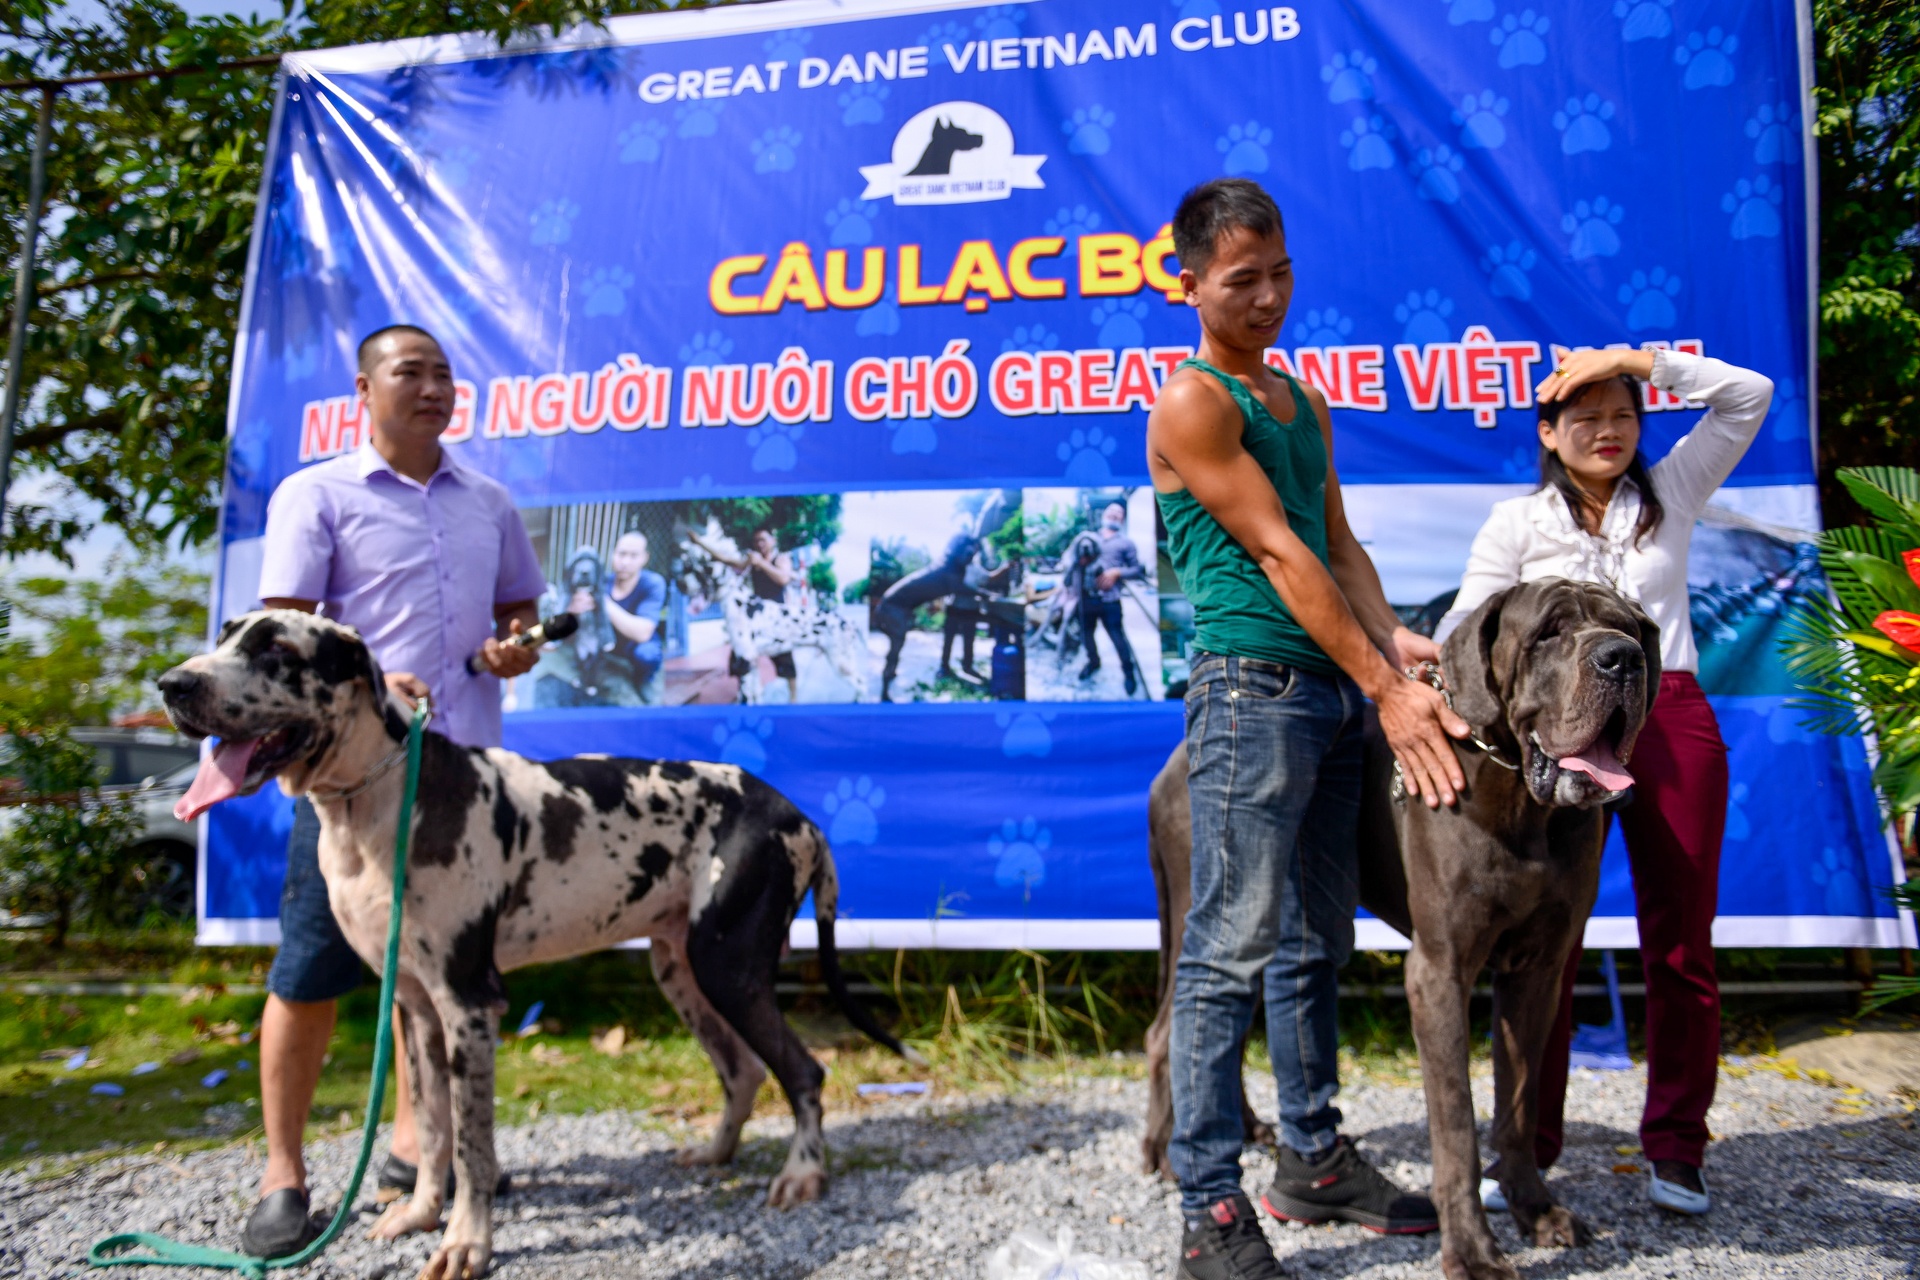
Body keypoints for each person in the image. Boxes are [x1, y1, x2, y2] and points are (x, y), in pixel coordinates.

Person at [1147, 178, 1468, 1280]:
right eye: (1244, 281)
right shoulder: (1194, 404)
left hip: (1328, 693)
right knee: (1227, 945)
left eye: (1282, 272)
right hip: (1251, 694)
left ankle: (1317, 1157)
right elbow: (1281, 558)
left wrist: (1394, 640)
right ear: (1186, 281)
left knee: (1314, 940)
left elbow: (1337, 540)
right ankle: (1207, 1203)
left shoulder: (1298, 398)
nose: (1271, 297)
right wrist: (1386, 687)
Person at [1437, 345, 1772, 1218]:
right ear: (1549, 433)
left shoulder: (1674, 495)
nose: (1607, 431)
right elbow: (1466, 622)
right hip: (1553, 733)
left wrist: (1637, 360)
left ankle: (1676, 1147)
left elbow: (1749, 397)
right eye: (1585, 417)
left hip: (1664, 720)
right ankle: (1529, 1152)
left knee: (1681, 942)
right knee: (1547, 949)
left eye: (1623, 415)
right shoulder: (1517, 522)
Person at [244, 324, 545, 1258]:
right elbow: (276, 637)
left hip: (462, 785)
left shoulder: (487, 501)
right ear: (363, 391)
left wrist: (516, 646)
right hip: (348, 781)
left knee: (438, 978)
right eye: (409, 372)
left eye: (445, 375)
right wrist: (377, 684)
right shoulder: (316, 493)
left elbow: (518, 610)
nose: (431, 389)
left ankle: (425, 1157)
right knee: (310, 970)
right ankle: (284, 1177)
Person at [692, 526, 800, 703]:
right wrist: (700, 543)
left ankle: (793, 699)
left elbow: (783, 579)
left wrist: (762, 564)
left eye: (763, 540)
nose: (760, 544)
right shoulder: (752, 559)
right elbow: (725, 559)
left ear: (773, 541)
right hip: (754, 617)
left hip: (776, 617)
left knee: (785, 660)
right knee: (742, 658)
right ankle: (748, 693)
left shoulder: (780, 558)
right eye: (756, 541)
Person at [1071, 501, 1148, 695]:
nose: (1114, 514)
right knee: (1086, 634)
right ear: (1103, 515)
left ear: (1122, 519)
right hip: (1086, 598)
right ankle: (1093, 663)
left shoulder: (1126, 542)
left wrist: (1116, 572)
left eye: (1119, 513)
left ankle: (1128, 673)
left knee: (1117, 637)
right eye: (1111, 511)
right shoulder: (1089, 538)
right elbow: (1073, 562)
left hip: (1110, 599)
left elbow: (1137, 570)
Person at [592, 531, 668, 704]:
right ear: (613, 554)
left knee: (647, 655)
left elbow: (643, 633)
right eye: (621, 554)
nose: (625, 562)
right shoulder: (603, 582)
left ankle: (644, 679)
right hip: (608, 649)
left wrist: (604, 602)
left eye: (633, 556)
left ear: (644, 558)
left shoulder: (652, 583)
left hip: (637, 646)